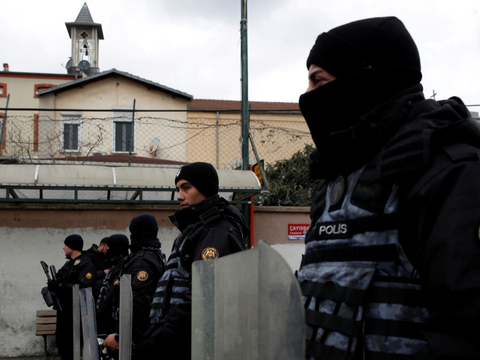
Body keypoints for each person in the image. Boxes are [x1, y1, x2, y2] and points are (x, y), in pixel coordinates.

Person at [296, 16, 480, 359]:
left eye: (318, 80)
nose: (307, 96)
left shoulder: (449, 172)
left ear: (365, 82)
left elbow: (467, 330)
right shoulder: (337, 184)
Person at [133, 162, 249, 359]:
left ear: (205, 188)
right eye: (178, 189)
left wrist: (161, 339)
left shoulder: (215, 231)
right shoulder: (197, 228)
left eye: (186, 188)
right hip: (182, 341)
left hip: (192, 345)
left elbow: (205, 295)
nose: (179, 196)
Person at [102, 215, 166, 354]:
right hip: (144, 334)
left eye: (133, 233)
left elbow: (139, 302)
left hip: (138, 337)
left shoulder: (142, 261)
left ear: (140, 234)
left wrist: (121, 336)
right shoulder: (155, 256)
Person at [47, 234, 96, 360]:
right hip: (63, 311)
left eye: (66, 245)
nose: (63, 248)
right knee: (62, 344)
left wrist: (60, 285)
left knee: (73, 346)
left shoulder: (86, 265)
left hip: (76, 313)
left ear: (72, 247)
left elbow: (83, 287)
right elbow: (59, 280)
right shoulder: (68, 265)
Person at [96, 234, 130, 338]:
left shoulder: (123, 266)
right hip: (107, 319)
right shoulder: (114, 266)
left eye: (109, 248)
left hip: (113, 321)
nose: (106, 251)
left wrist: (99, 315)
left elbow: (111, 295)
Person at [84, 237, 109, 301]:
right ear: (101, 245)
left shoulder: (107, 257)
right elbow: (87, 275)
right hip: (91, 293)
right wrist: (103, 272)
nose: (108, 250)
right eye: (107, 248)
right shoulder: (89, 256)